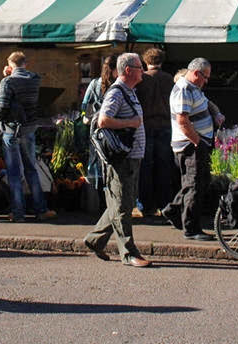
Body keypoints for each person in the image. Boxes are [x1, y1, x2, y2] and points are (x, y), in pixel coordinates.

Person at [83, 52, 151, 268]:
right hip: (122, 157)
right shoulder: (117, 92)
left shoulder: (129, 91)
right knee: (122, 205)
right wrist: (131, 123)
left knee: (124, 202)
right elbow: (103, 120)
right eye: (140, 67)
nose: (143, 71)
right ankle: (129, 253)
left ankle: (95, 239)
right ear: (128, 70)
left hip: (131, 156)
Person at [162, 57, 223, 241]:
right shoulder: (183, 89)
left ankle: (173, 210)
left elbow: (206, 103)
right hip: (190, 145)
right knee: (194, 185)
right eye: (205, 77)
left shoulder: (195, 88)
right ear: (196, 73)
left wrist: (216, 113)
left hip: (196, 143)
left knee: (199, 182)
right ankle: (191, 229)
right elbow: (182, 120)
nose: (206, 81)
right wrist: (197, 141)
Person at [0, 51, 56, 222]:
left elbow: (2, 106)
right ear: (25, 63)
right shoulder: (35, 80)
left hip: (11, 129)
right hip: (29, 129)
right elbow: (31, 75)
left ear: (9, 64)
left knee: (14, 172)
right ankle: (40, 209)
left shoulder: (7, 82)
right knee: (32, 169)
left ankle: (18, 212)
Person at [133, 47, 178, 219]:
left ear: (145, 61)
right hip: (166, 125)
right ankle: (165, 204)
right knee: (164, 166)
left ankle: (146, 205)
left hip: (145, 126)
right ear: (162, 61)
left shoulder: (141, 79)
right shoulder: (169, 79)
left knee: (145, 167)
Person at [81, 55, 118, 189]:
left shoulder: (94, 83)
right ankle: (109, 190)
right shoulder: (118, 85)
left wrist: (86, 116)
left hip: (96, 127)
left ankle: (94, 191)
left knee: (95, 157)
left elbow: (84, 105)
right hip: (114, 127)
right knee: (111, 159)